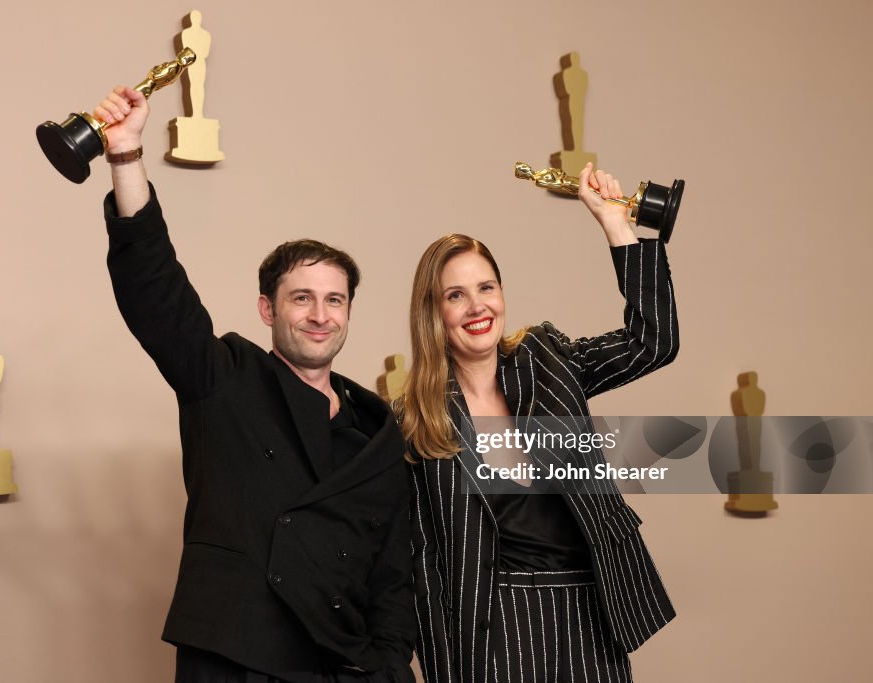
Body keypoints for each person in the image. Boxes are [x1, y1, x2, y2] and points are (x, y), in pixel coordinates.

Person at [94, 86, 416, 683]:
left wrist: (388, 665)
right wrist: (126, 155)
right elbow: (155, 288)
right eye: (302, 298)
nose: (320, 315)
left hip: (337, 664)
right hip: (234, 654)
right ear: (268, 310)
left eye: (334, 300)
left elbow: (392, 574)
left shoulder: (377, 432)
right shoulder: (224, 379)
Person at [400, 164, 678, 682]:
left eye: (487, 287)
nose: (477, 306)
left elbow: (653, 343)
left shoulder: (547, 360)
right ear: (432, 312)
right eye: (455, 294)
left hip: (590, 615)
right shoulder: (414, 421)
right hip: (492, 629)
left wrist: (616, 226)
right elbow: (419, 561)